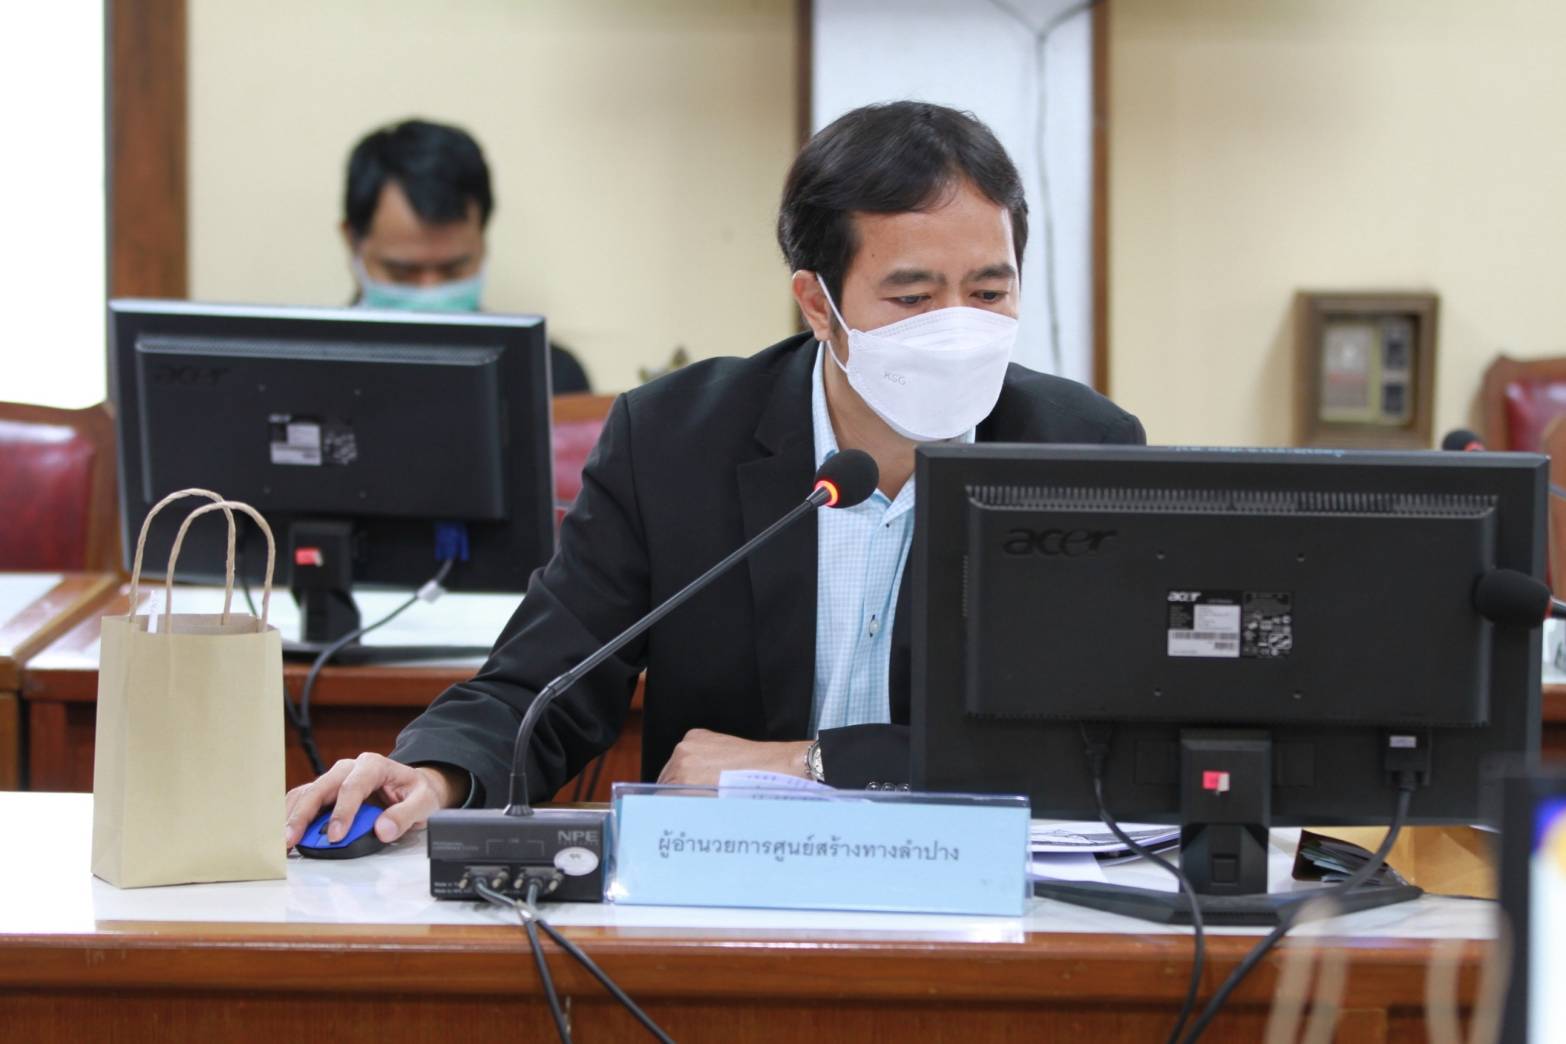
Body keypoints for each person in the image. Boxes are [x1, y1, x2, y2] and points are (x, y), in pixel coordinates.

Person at [285, 101, 1145, 850]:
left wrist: (813, 763)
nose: (956, 328)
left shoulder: (1079, 451)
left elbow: (1097, 740)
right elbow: (544, 682)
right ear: (818, 303)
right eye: (913, 298)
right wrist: (435, 774)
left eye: (989, 293)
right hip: (725, 884)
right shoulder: (674, 442)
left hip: (977, 890)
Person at [341, 118, 592, 394]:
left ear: (482, 243)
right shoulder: (307, 370)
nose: (430, 292)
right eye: (402, 271)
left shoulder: (550, 375)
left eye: (453, 269)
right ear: (352, 242)